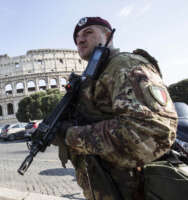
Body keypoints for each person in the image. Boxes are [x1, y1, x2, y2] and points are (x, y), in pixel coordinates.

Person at [55, 17, 178, 200]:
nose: (80, 40)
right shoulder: (93, 77)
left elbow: (153, 132)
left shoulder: (125, 65)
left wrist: (70, 136)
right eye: (77, 37)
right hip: (110, 188)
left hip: (136, 190)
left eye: (88, 32)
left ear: (108, 35)